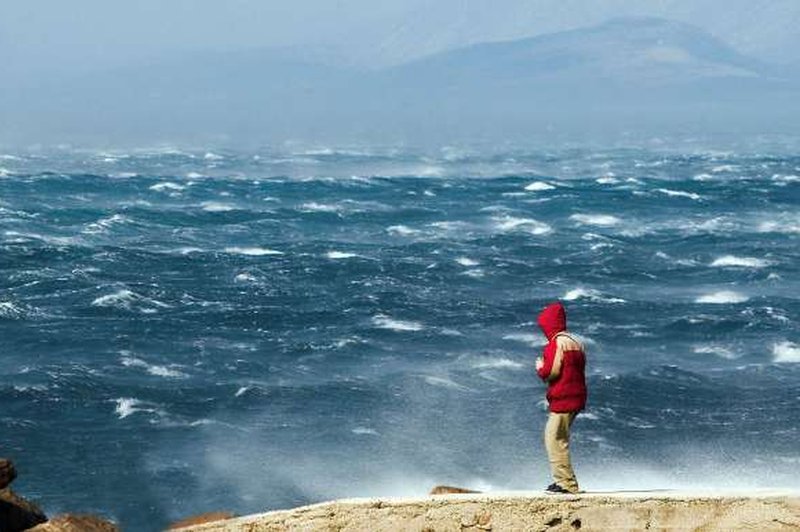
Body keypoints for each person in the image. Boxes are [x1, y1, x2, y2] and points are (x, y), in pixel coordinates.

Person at [535, 301, 587, 494]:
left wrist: (540, 367)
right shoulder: (576, 342)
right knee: (560, 438)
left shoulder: (556, 343)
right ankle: (565, 481)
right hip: (577, 396)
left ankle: (566, 484)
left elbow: (553, 371)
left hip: (563, 398)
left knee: (554, 439)